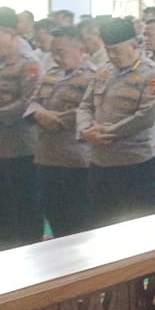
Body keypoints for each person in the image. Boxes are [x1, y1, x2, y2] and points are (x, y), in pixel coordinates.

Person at [76, 18, 155, 229]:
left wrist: (104, 133)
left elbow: (146, 116)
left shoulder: (152, 73)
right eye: (108, 50)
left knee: (140, 226)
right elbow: (85, 105)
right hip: (100, 162)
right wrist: (86, 131)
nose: (112, 56)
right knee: (100, 223)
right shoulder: (104, 71)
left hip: (135, 163)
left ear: (134, 45)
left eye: (117, 50)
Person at [28, 26, 96, 238]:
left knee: (79, 221)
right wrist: (39, 114)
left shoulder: (94, 77)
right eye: (53, 52)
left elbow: (90, 111)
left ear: (81, 50)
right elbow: (32, 102)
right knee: (54, 214)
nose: (56, 58)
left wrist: (53, 119)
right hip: (47, 157)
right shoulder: (52, 74)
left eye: (61, 52)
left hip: (76, 160)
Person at [0, 10, 43, 250]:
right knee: (2, 212)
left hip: (20, 150)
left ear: (11, 34)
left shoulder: (29, 64)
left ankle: (33, 260)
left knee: (25, 213)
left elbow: (28, 102)